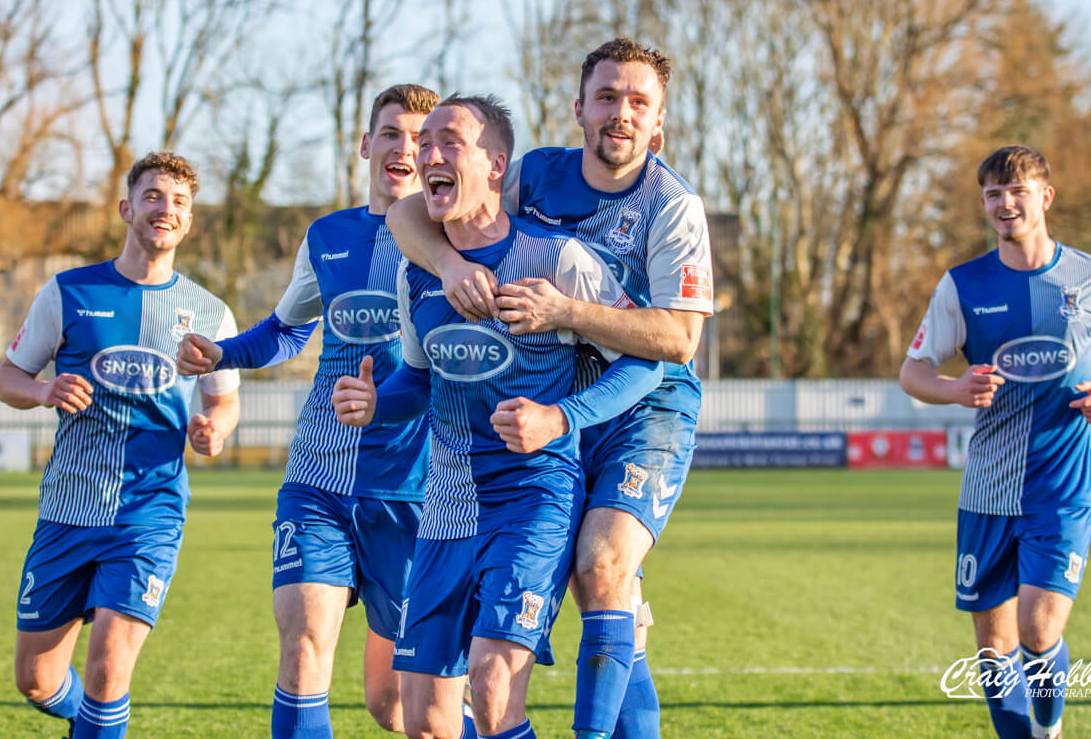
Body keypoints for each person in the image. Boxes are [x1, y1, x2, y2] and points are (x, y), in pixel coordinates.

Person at [386, 38, 713, 739]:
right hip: (557, 391)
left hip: (647, 404)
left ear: (659, 122)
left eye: (638, 102)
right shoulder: (536, 175)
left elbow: (679, 342)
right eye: (606, 97)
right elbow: (411, 214)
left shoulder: (674, 206)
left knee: (600, 567)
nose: (620, 114)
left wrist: (565, 312)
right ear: (580, 108)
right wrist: (446, 265)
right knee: (613, 599)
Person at [334, 94, 663, 739]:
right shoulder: (417, 274)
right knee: (424, 719)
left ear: (495, 164)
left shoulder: (557, 260)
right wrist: (377, 404)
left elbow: (643, 361)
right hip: (445, 505)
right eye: (423, 142)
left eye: (448, 141)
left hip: (533, 495)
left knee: (490, 688)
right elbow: (420, 379)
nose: (426, 153)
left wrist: (559, 418)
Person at [175, 84, 444, 738]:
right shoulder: (328, 237)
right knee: (302, 650)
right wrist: (221, 352)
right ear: (365, 145)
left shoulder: (452, 242)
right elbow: (285, 330)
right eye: (389, 132)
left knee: (403, 710)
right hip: (317, 484)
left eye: (418, 137)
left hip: (412, 492)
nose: (402, 148)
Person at [0, 152, 241, 739]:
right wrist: (43, 388)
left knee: (108, 669)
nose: (167, 208)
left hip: (148, 512)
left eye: (180, 201)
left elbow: (224, 400)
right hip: (66, 510)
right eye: (154, 196)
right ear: (128, 208)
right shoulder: (67, 292)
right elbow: (8, 380)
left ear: (189, 222)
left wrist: (215, 429)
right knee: (35, 679)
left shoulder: (209, 313)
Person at [899, 145, 1091, 739]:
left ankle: (1049, 726)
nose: (1005, 204)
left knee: (1037, 631)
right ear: (983, 202)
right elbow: (914, 370)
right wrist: (955, 389)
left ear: (1045, 197)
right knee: (994, 647)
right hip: (987, 488)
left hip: (1062, 482)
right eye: (993, 195)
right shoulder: (963, 285)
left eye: (1018, 191)